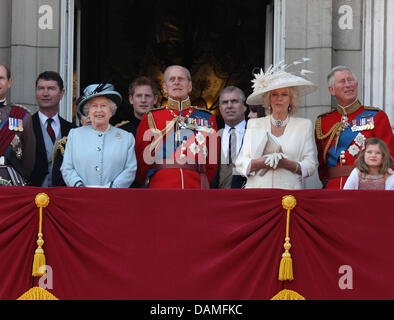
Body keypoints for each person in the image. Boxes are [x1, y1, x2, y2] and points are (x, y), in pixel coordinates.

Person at [134, 65, 218, 189]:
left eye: (181, 79)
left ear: (190, 86)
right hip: (160, 187)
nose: (176, 82)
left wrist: (203, 183)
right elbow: (141, 161)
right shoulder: (151, 117)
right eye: (172, 79)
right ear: (164, 87)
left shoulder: (206, 118)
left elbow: (212, 162)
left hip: (195, 186)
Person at [235, 63, 317, 189]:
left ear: (291, 99)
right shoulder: (254, 124)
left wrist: (286, 164)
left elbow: (310, 165)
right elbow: (241, 164)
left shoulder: (304, 125)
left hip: (289, 195)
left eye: (284, 95)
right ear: (268, 99)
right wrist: (260, 163)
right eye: (274, 94)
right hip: (257, 194)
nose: (279, 98)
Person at [315, 66, 394, 189]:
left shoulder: (377, 116)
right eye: (342, 82)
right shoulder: (324, 121)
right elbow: (322, 164)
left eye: (350, 80)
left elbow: (389, 156)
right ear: (332, 90)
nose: (348, 85)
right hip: (333, 188)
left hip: (366, 187)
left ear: (356, 84)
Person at [61, 83, 137, 188]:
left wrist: (112, 187)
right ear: (88, 111)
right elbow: (67, 168)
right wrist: (79, 186)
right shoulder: (75, 135)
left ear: (111, 110)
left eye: (104, 106)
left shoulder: (126, 138)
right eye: (94, 106)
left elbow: (130, 170)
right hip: (81, 198)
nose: (99, 110)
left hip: (113, 198)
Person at [29, 71, 75, 187]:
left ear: (62, 93)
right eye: (41, 88)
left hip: (64, 196)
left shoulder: (72, 130)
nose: (45, 93)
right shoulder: (25, 125)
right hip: (32, 195)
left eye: (51, 88)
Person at [0, 63, 36, 185]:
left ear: (9, 82)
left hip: (10, 181)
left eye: (1, 78)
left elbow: (29, 161)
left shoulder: (22, 115)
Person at [210, 86, 247, 189]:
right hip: (217, 200)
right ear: (220, 108)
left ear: (244, 107)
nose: (229, 106)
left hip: (249, 199)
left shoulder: (256, 133)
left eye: (234, 101)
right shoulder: (212, 138)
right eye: (225, 102)